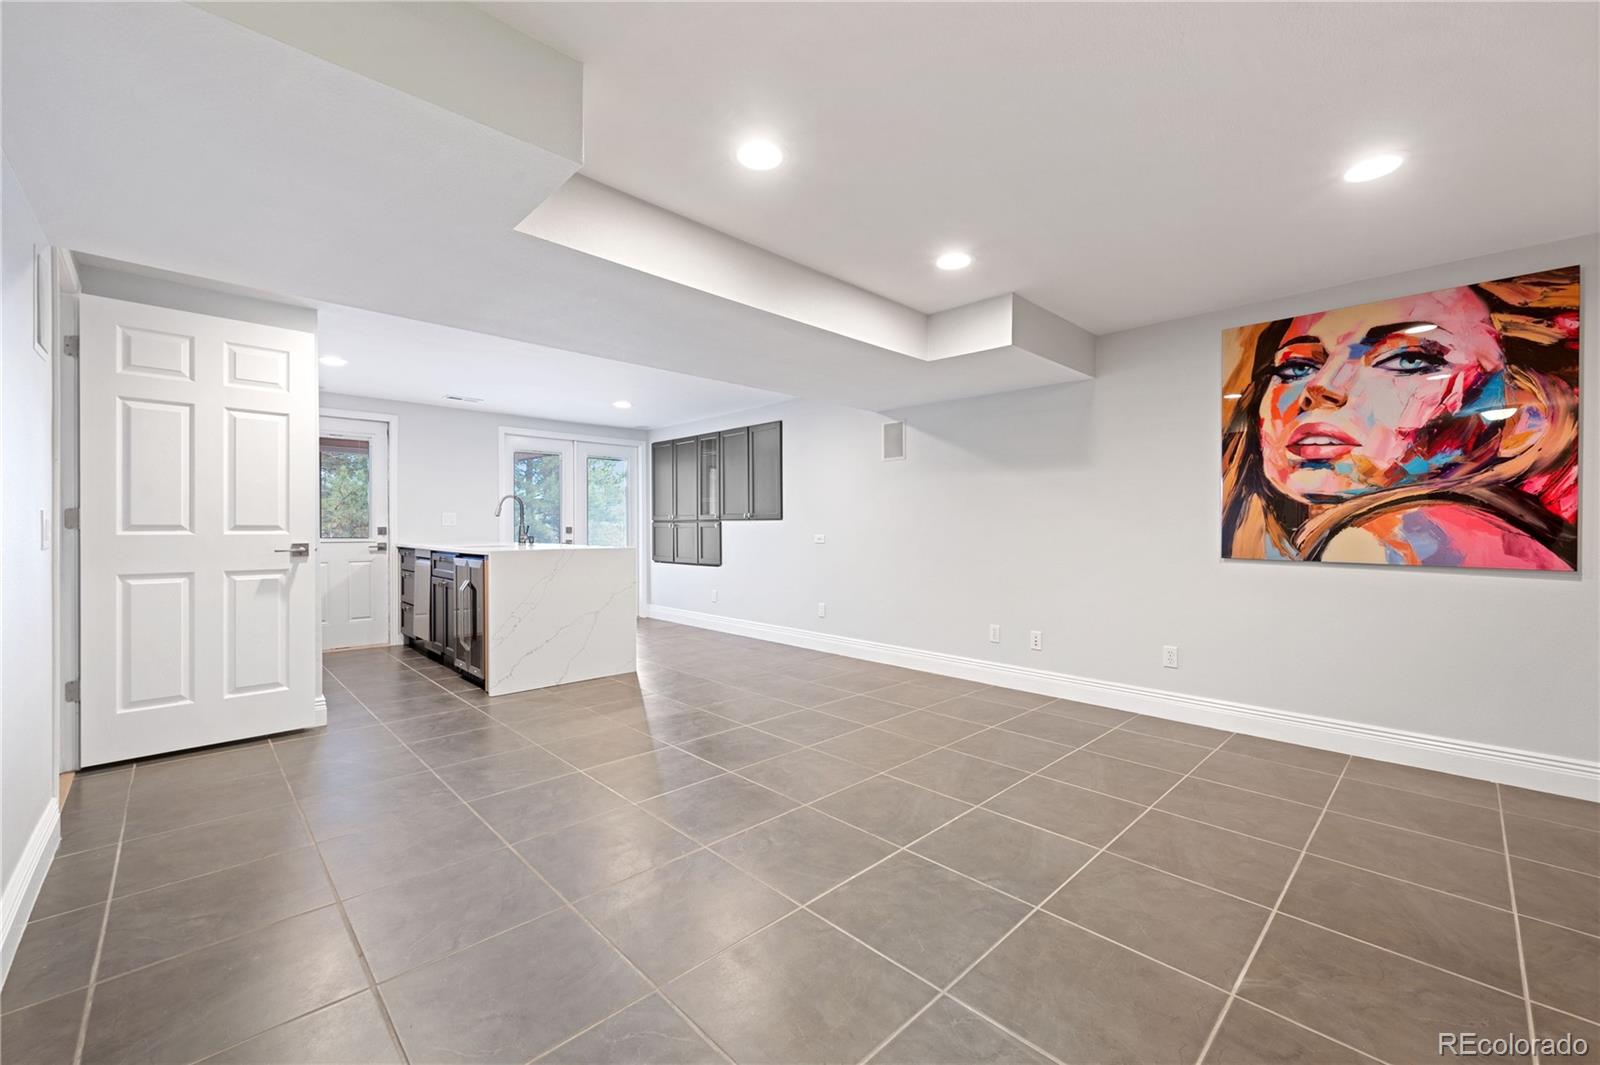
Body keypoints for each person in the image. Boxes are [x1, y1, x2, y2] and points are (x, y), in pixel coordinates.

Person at [1221, 267, 1579, 569]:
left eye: (1407, 360)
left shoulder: (1396, 533)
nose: (1323, 387)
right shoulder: (1494, 535)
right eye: (1297, 366)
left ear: (1524, 421)